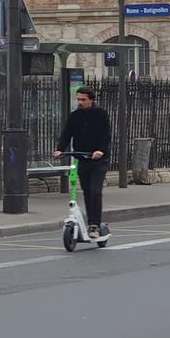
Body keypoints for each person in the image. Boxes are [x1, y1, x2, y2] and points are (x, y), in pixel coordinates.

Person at [54, 86, 111, 237]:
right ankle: (91, 223)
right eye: (78, 99)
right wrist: (60, 149)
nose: (80, 102)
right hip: (82, 159)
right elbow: (67, 134)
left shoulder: (101, 114)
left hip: (98, 160)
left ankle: (95, 225)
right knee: (86, 192)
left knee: (95, 191)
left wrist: (100, 150)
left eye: (83, 99)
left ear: (91, 100)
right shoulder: (75, 116)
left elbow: (106, 135)